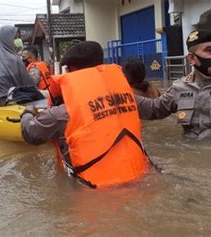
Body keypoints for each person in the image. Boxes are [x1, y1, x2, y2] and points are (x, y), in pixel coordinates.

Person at [21, 41, 152, 189]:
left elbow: (30, 133)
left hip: (94, 192)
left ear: (73, 70)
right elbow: (155, 109)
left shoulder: (63, 112)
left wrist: (27, 112)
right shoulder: (127, 98)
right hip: (140, 179)